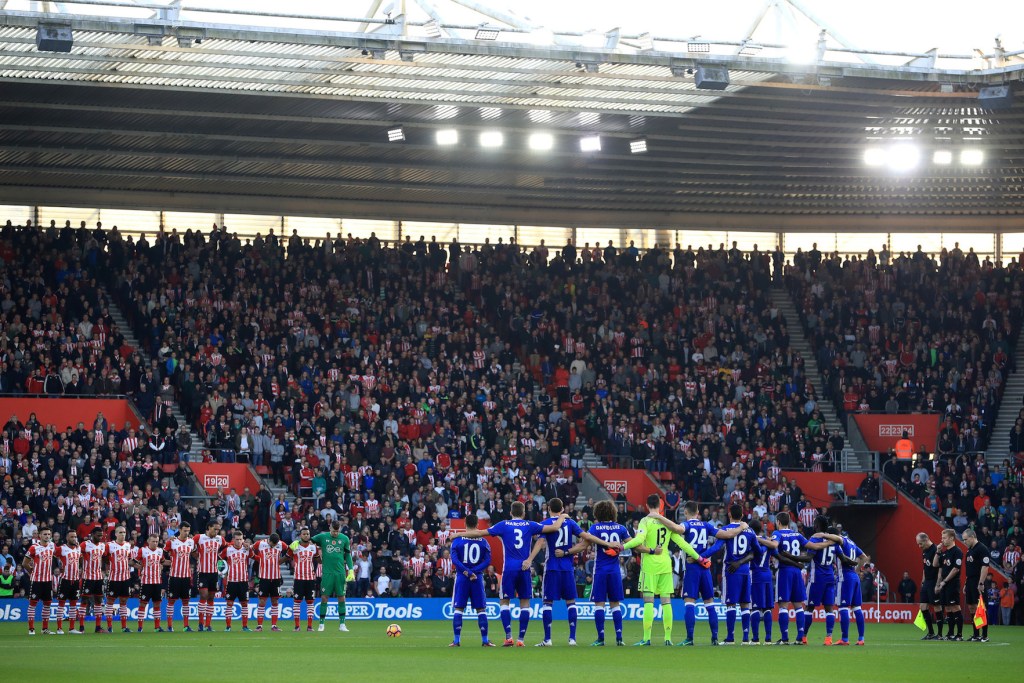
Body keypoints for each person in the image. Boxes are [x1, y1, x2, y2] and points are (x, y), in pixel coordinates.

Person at [454, 500, 567, 646]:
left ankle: (508, 637)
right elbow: (554, 527)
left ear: (510, 512)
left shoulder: (503, 525)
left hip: (509, 569)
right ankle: (521, 639)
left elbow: (480, 532)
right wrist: (563, 516)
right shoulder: (530, 524)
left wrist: (457, 535)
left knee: (504, 602)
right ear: (524, 512)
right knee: (525, 602)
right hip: (525, 567)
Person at [526, 497, 620, 647]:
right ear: (562, 509)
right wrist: (608, 543)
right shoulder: (570, 523)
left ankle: (548, 640)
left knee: (547, 603)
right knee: (571, 602)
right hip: (568, 568)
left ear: (549, 509)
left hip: (551, 568)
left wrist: (530, 559)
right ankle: (572, 639)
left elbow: (541, 541)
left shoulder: (545, 524)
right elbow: (586, 537)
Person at [653, 500, 747, 646]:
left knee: (689, 602)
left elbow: (676, 528)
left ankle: (690, 638)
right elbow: (727, 535)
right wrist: (741, 526)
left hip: (692, 567)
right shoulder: (707, 525)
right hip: (705, 567)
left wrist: (659, 516)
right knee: (709, 603)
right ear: (698, 512)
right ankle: (715, 637)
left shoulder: (687, 524)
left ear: (685, 513)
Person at [622, 495, 706, 646]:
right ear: (660, 506)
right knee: (666, 602)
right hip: (666, 566)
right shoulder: (666, 523)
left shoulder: (645, 521)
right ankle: (668, 638)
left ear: (647, 505)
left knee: (648, 602)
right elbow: (683, 544)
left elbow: (638, 541)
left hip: (649, 566)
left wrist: (621, 547)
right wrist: (699, 557)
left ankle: (647, 638)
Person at [769, 510, 831, 644]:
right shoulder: (797, 534)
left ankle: (785, 638)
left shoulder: (777, 533)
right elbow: (813, 546)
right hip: (797, 573)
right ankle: (799, 638)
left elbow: (774, 545)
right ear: (790, 522)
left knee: (783, 606)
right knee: (798, 605)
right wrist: (829, 542)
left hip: (784, 571)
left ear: (778, 522)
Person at [577, 500, 631, 646]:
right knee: (615, 605)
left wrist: (567, 552)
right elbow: (633, 544)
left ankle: (601, 638)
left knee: (599, 605)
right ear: (613, 512)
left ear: (598, 513)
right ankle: (619, 638)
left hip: (600, 570)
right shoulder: (620, 528)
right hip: (615, 571)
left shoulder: (595, 528)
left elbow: (583, 544)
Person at [816, 526, 869, 645]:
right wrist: (857, 569)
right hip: (854, 577)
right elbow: (865, 557)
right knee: (857, 608)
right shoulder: (851, 541)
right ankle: (861, 639)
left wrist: (822, 535)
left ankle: (844, 638)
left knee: (843, 607)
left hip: (845, 577)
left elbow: (837, 538)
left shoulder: (841, 540)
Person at [448, 514, 494, 647]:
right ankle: (485, 640)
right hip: (477, 578)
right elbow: (487, 560)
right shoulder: (483, 541)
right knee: (481, 609)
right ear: (477, 525)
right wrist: (474, 572)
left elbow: (455, 560)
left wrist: (467, 572)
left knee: (458, 609)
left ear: (465, 524)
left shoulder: (457, 540)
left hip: (462, 577)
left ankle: (456, 641)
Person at [719, 504, 760, 644]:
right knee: (745, 604)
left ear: (730, 515)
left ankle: (730, 638)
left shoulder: (725, 529)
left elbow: (717, 547)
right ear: (742, 516)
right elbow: (757, 551)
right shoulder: (750, 531)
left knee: (730, 604)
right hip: (745, 571)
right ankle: (745, 638)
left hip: (731, 570)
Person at [802, 515, 840, 645]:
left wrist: (793, 559)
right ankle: (829, 638)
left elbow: (808, 558)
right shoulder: (833, 540)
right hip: (830, 577)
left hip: (816, 578)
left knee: (809, 608)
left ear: (817, 526)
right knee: (829, 609)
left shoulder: (815, 539)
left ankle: (804, 637)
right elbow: (841, 556)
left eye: (814, 523)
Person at [310, 520, 353, 632]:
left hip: (340, 573)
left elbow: (348, 556)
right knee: (324, 597)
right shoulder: (323, 537)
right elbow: (310, 540)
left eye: (337, 531)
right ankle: (321, 624)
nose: (335, 534)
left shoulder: (344, 539)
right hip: (327, 573)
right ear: (330, 528)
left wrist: (351, 570)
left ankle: (342, 624)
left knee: (341, 597)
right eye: (334, 531)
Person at [934, 528, 964, 641]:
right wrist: (938, 551)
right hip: (944, 584)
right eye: (942, 538)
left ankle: (959, 634)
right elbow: (935, 564)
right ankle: (951, 633)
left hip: (952, 583)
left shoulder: (957, 551)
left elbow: (956, 569)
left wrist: (945, 581)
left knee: (955, 607)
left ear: (952, 538)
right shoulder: (944, 552)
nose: (942, 540)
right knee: (947, 608)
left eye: (944, 538)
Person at [24, 527, 56, 635]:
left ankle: (44, 629)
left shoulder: (52, 546)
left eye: (48, 534)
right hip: (36, 581)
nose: (47, 536)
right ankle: (31, 628)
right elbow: (24, 563)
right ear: (40, 536)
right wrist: (32, 572)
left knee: (47, 604)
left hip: (48, 581)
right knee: (32, 604)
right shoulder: (34, 547)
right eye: (45, 534)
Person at [748, 520, 776, 645]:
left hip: (756, 575)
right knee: (767, 608)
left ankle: (755, 639)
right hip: (767, 574)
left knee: (755, 607)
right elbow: (777, 554)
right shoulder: (768, 541)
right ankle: (768, 639)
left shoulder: (752, 540)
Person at [288, 527, 321, 632]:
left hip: (310, 579)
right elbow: (286, 557)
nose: (306, 535)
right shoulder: (295, 546)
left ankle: (310, 626)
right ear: (300, 535)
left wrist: (320, 552)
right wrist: (289, 548)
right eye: (304, 534)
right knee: (297, 602)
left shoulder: (313, 547)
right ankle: (297, 626)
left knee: (310, 602)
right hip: (298, 578)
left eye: (307, 534)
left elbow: (318, 560)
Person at [164, 522, 195, 632]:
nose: (186, 533)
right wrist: (167, 562)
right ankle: (169, 626)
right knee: (171, 601)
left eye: (188, 531)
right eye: (184, 530)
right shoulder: (172, 541)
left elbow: (195, 554)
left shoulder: (191, 542)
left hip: (186, 577)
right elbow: (162, 554)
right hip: (174, 576)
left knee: (186, 602)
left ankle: (186, 626)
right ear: (180, 530)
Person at [962, 528, 991, 642]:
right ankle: (976, 634)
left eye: (966, 539)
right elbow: (969, 569)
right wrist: (966, 583)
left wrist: (981, 583)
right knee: (972, 607)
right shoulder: (969, 550)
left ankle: (984, 635)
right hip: (970, 581)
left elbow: (985, 567)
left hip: (978, 582)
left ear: (972, 537)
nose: (964, 542)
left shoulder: (982, 549)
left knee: (981, 608)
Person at [194, 520, 224, 632]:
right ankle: (200, 624)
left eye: (218, 529)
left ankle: (208, 625)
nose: (216, 531)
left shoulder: (220, 539)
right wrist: (195, 555)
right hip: (203, 572)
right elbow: (188, 544)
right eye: (214, 529)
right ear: (208, 528)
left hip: (214, 573)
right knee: (204, 596)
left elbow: (227, 546)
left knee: (211, 597)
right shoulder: (199, 538)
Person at [253, 532, 286, 631]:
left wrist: (283, 559)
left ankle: (274, 626)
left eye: (276, 545)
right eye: (273, 544)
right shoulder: (260, 544)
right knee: (262, 601)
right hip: (264, 578)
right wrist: (257, 558)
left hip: (276, 578)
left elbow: (290, 550)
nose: (274, 546)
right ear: (269, 540)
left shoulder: (281, 544)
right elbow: (249, 549)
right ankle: (259, 626)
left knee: (275, 601)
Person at [220, 531, 253, 632]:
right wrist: (222, 572)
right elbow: (219, 559)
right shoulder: (228, 550)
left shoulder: (247, 549)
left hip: (243, 582)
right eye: (237, 539)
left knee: (244, 605)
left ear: (243, 539)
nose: (239, 541)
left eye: (240, 539)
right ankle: (228, 626)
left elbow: (253, 556)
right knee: (229, 604)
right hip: (231, 582)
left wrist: (249, 547)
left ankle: (245, 626)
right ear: (233, 540)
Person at [104, 526, 134, 633]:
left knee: (123, 601)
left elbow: (129, 559)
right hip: (114, 578)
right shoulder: (110, 545)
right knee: (110, 601)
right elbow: (105, 558)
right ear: (116, 534)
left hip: (125, 578)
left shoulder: (127, 545)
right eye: (120, 532)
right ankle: (109, 626)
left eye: (124, 532)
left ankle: (124, 627)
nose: (123, 534)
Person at [133, 534, 165, 632]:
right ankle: (140, 627)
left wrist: (163, 566)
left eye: (156, 541)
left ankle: (157, 627)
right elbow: (133, 562)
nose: (155, 543)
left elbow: (162, 562)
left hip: (157, 582)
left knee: (157, 605)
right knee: (143, 604)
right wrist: (139, 567)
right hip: (146, 582)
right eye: (153, 541)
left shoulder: (160, 551)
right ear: (148, 541)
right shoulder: (142, 550)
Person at [54, 530, 82, 634]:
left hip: (75, 581)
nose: (74, 538)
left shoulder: (78, 549)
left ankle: (71, 628)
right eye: (72, 537)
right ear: (67, 538)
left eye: (75, 536)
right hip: (65, 580)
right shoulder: (61, 548)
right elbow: (52, 555)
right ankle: (59, 628)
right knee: (61, 604)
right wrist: (58, 567)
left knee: (73, 605)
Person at [80, 526, 107, 633]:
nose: (100, 537)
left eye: (101, 535)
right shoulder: (85, 544)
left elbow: (104, 558)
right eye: (98, 535)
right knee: (84, 601)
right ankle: (81, 627)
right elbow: (78, 555)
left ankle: (98, 627)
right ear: (92, 535)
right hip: (87, 577)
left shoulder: (102, 546)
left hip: (99, 577)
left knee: (98, 601)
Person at [915, 532, 941, 640]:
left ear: (926, 540)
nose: (919, 546)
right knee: (923, 607)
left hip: (934, 581)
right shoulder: (924, 551)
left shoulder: (935, 550)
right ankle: (930, 632)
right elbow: (925, 568)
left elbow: (940, 568)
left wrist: (939, 583)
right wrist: (922, 582)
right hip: (927, 582)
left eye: (920, 544)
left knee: (936, 606)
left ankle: (939, 634)